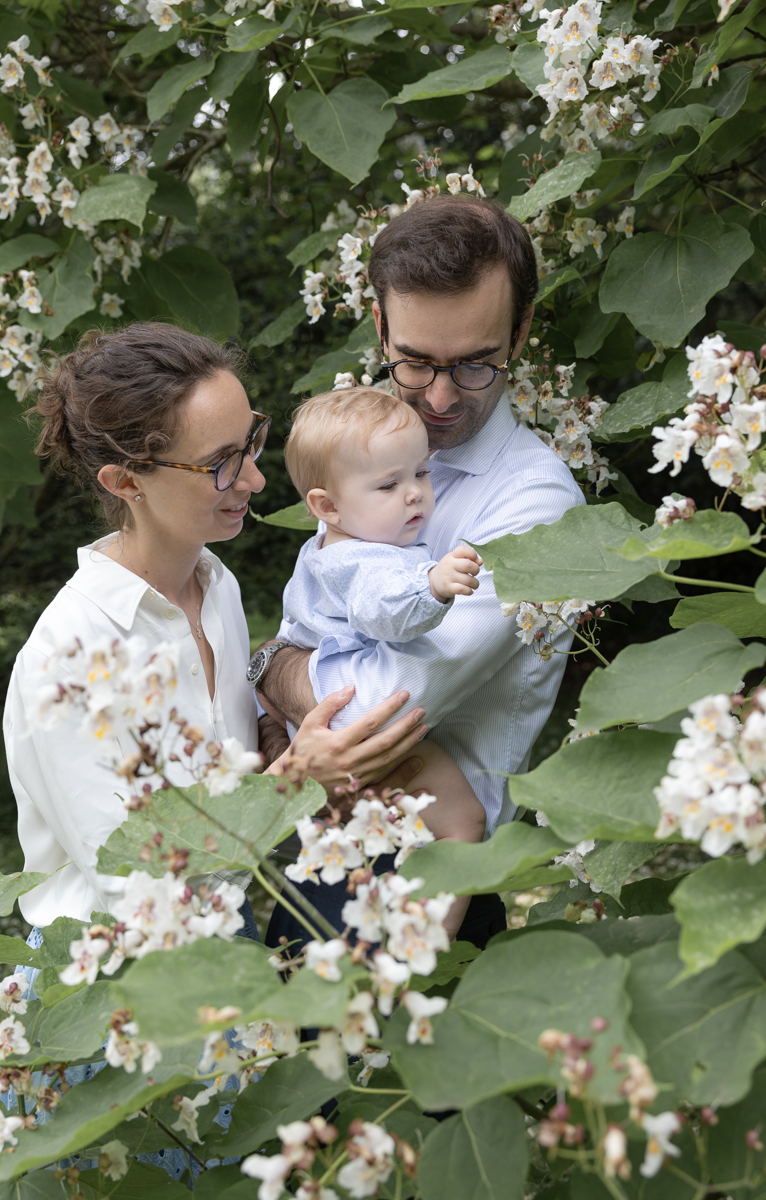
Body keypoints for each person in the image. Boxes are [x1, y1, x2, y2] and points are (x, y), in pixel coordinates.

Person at [3, 324, 430, 937]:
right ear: (126, 482)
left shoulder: (215, 585)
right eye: (220, 464)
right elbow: (138, 893)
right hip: (115, 975)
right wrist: (292, 785)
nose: (255, 479)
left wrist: (287, 752)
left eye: (250, 442)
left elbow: (232, 791)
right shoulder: (65, 661)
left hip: (230, 937)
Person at [252, 195, 585, 948]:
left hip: (425, 866)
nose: (438, 396)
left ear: (520, 333)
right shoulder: (365, 451)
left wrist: (273, 669)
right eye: (414, 361)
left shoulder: (536, 507)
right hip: (328, 846)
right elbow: (320, 608)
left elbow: (378, 709)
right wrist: (279, 671)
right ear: (379, 327)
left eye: (474, 364)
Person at [280, 385, 487, 939]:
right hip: (356, 712)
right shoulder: (362, 560)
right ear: (327, 506)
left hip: (329, 702)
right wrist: (433, 585)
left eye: (421, 472)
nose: (415, 493)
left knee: (379, 834)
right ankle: (423, 947)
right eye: (389, 484)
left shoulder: (330, 546)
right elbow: (383, 608)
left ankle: (390, 936)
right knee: (463, 820)